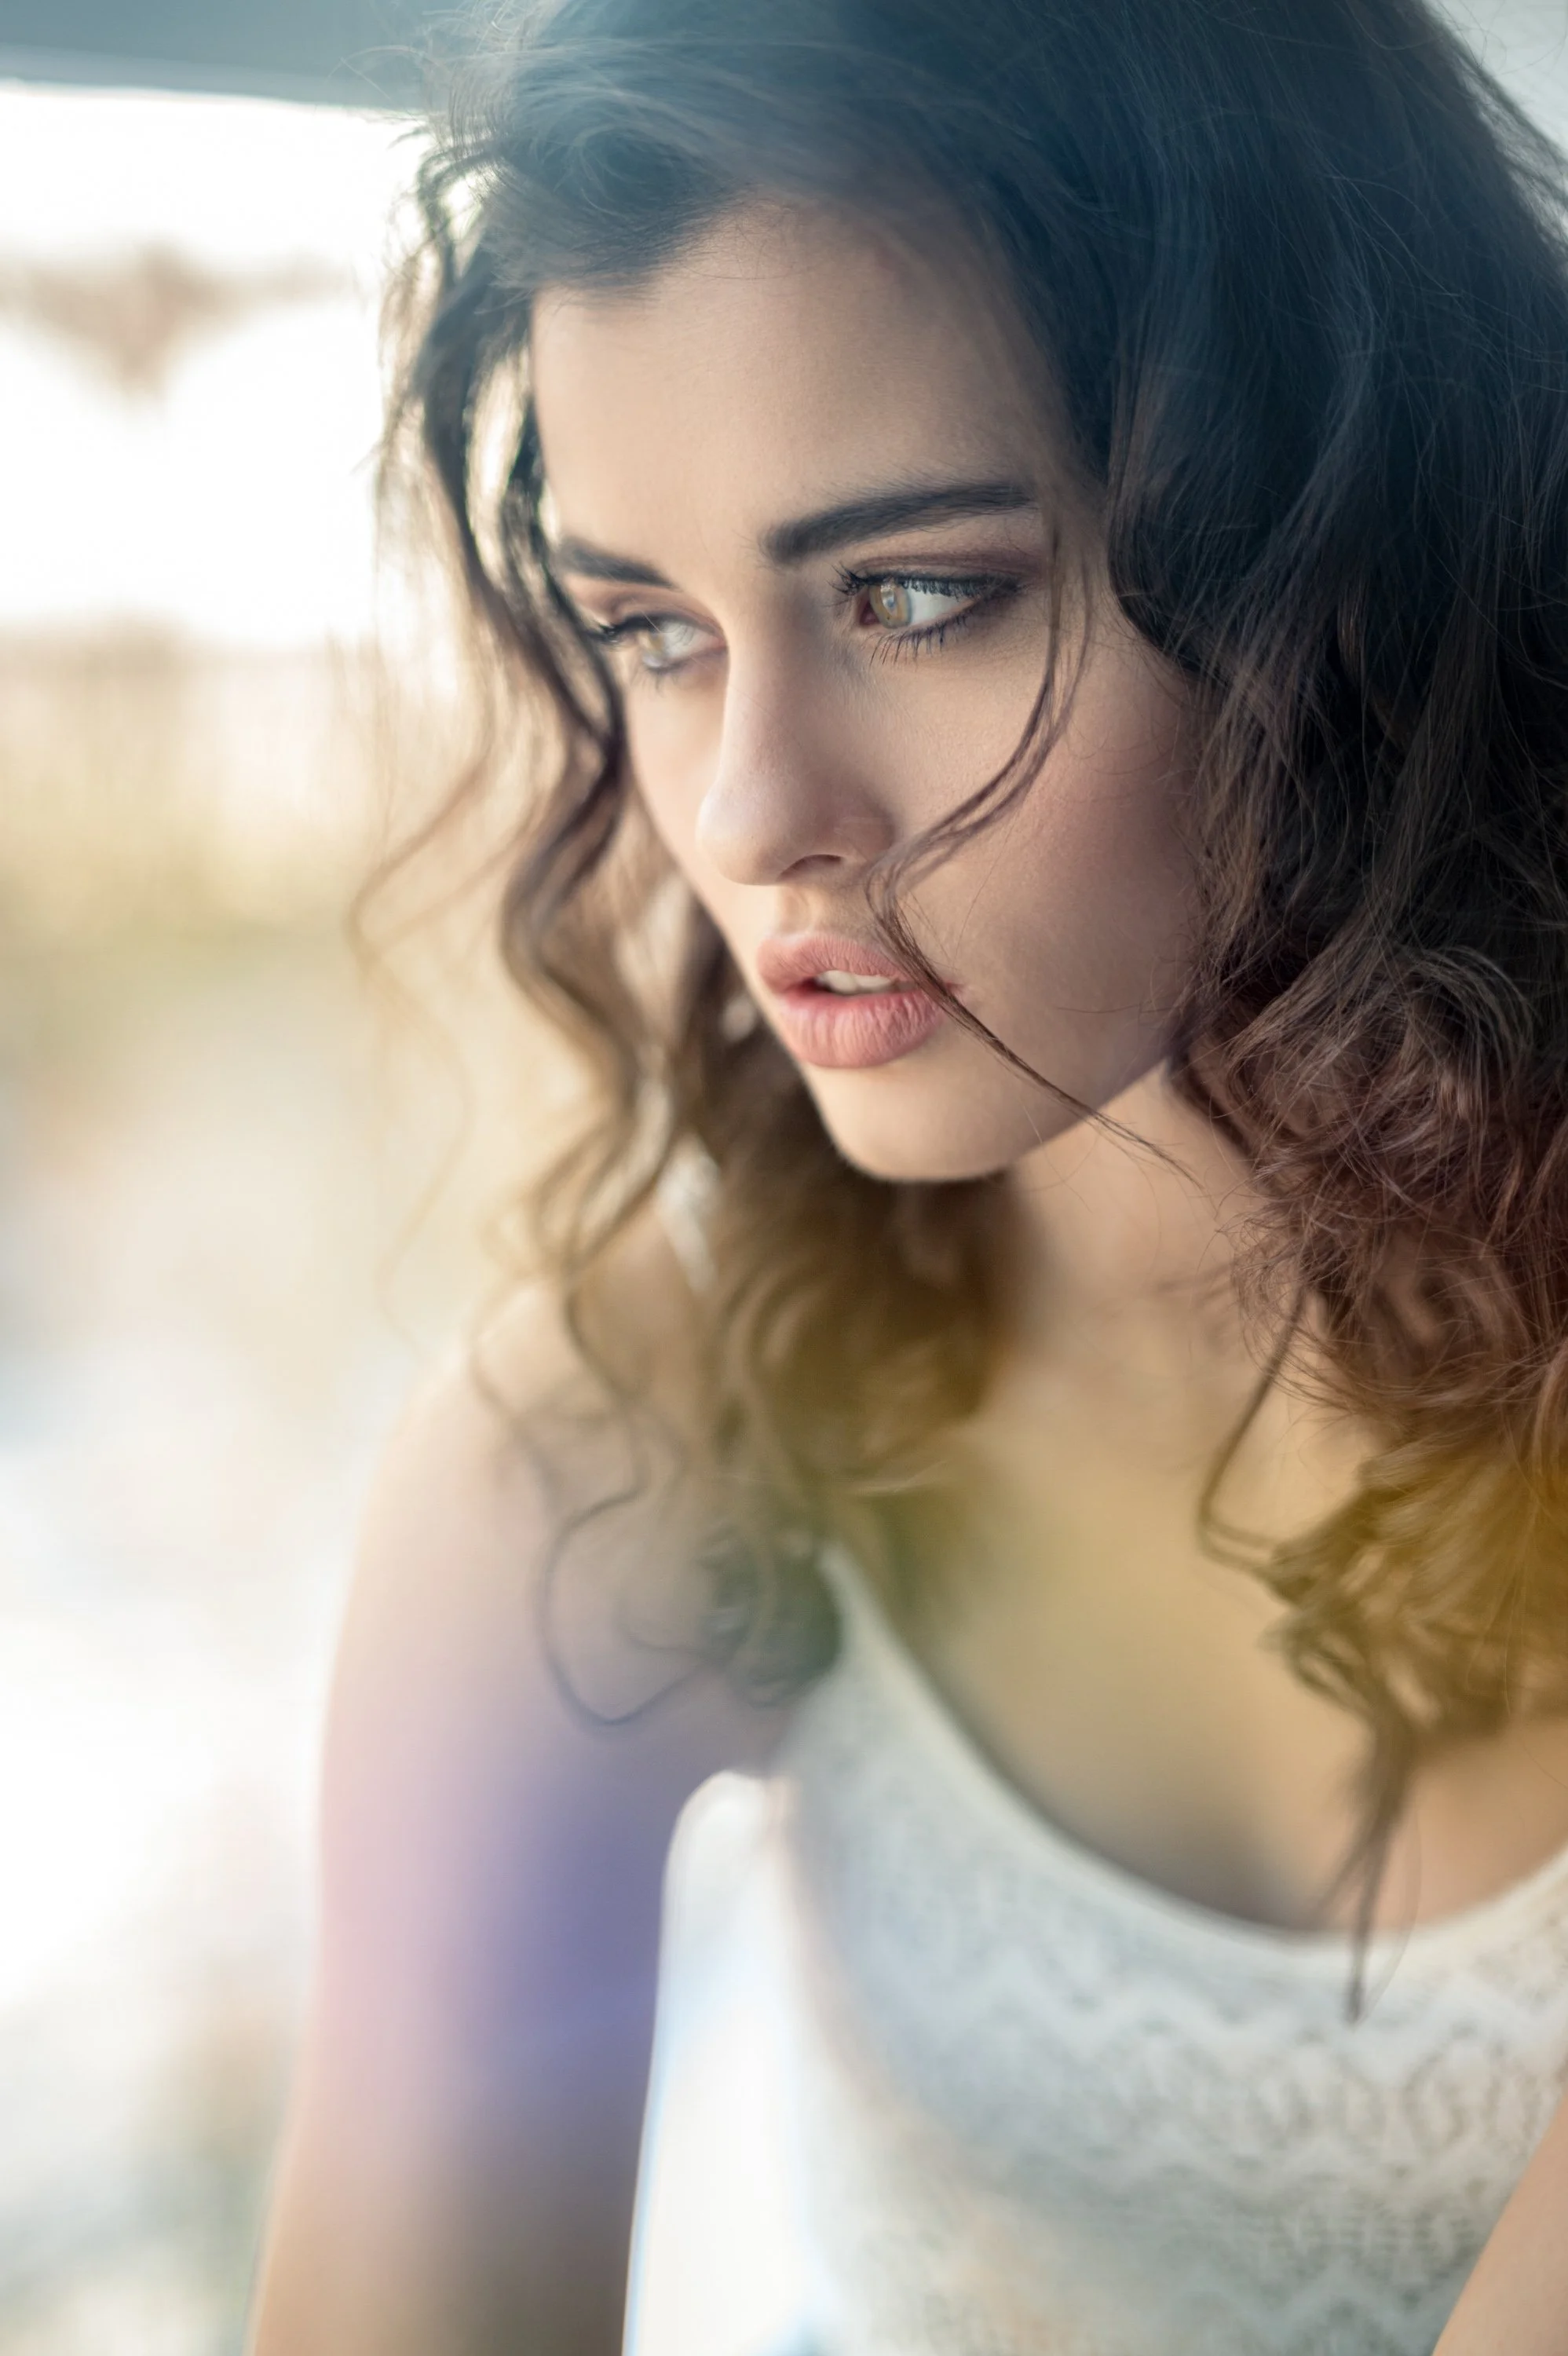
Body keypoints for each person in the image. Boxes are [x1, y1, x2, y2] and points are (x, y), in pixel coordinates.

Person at [247, 0, 1568, 2348]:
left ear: (1340, 538)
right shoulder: (609, 1459)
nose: (751, 813)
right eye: (646, 628)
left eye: (917, 594)